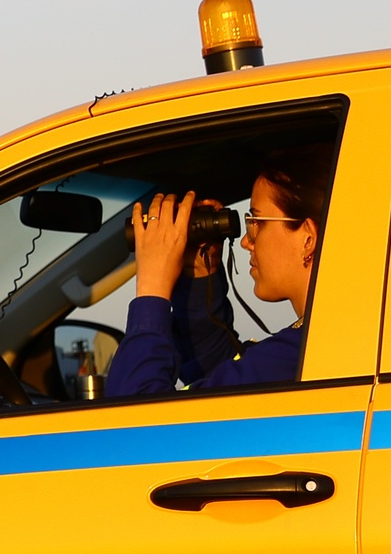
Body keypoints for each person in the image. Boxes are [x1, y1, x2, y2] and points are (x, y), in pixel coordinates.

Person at [103, 145, 330, 397]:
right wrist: (200, 272)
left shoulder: (298, 354)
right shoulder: (317, 344)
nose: (246, 241)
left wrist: (152, 288)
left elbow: (132, 422)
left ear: (308, 238)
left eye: (257, 223)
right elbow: (219, 378)